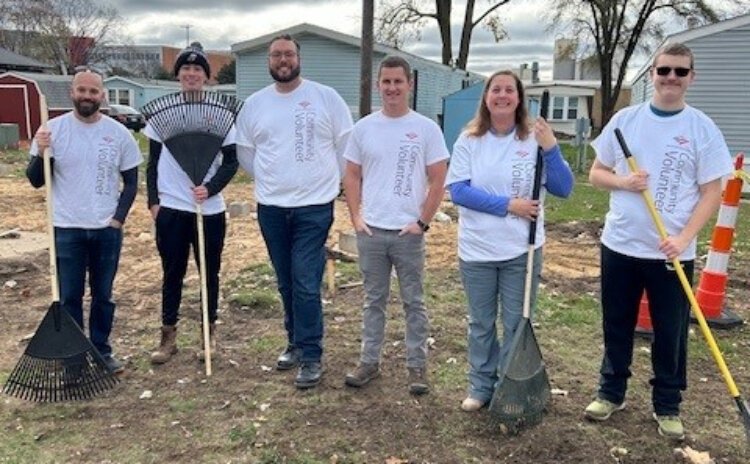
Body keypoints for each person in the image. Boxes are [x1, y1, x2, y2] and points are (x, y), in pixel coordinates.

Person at [583, 42, 733, 440]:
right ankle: (610, 391)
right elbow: (596, 174)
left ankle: (667, 404)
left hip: (672, 252)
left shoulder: (701, 128)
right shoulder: (625, 121)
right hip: (621, 244)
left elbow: (712, 191)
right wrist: (624, 182)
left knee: (671, 331)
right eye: (664, 70)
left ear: (691, 78)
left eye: (680, 72)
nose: (671, 78)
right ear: (652, 74)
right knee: (617, 323)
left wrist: (684, 237)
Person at [445, 70, 574, 411]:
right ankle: (480, 385)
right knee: (480, 322)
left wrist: (552, 149)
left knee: (516, 322)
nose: (502, 95)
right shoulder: (469, 140)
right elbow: (458, 191)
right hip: (477, 250)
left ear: (520, 98)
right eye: (495, 90)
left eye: (509, 90)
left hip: (522, 251)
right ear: (486, 97)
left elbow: (563, 188)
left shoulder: (535, 139)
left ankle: (507, 386)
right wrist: (509, 206)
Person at [235, 34, 353, 389]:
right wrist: (274, 180)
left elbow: (345, 145)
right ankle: (294, 343)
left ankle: (312, 354)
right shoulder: (255, 104)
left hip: (314, 207)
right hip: (271, 207)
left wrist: (328, 182)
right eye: (276, 55)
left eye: (288, 54)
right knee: (286, 280)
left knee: (304, 279)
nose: (282, 60)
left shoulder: (325, 98)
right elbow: (246, 152)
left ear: (299, 58)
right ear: (269, 62)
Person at [342, 56, 449, 395]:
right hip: (372, 230)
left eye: (397, 82)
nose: (392, 88)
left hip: (407, 233)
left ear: (409, 85)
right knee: (373, 300)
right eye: (386, 82)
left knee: (413, 301)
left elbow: (438, 178)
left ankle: (417, 367)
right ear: (378, 85)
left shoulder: (426, 129)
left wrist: (422, 222)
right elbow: (352, 174)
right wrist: (356, 217)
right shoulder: (363, 128)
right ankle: (369, 361)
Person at [27, 69, 142, 374]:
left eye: (93, 91)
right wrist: (41, 152)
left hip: (106, 230)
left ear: (102, 95)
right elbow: (37, 181)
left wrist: (117, 220)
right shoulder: (52, 131)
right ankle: (74, 359)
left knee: (103, 295)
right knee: (69, 297)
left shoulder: (119, 134)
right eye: (82, 91)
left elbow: (131, 182)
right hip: (67, 228)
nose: (87, 96)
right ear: (72, 93)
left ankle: (102, 351)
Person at [146, 42, 239, 364]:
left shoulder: (220, 115)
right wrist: (154, 202)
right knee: (172, 272)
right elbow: (152, 162)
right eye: (186, 69)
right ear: (179, 75)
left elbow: (231, 162)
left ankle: (208, 336)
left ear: (206, 77)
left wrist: (211, 188)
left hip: (209, 209)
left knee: (209, 273)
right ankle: (168, 337)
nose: (191, 74)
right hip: (172, 206)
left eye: (197, 70)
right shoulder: (162, 115)